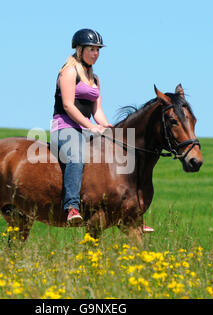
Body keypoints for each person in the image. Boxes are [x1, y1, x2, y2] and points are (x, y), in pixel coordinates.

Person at [50, 28, 154, 233]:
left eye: (98, 50)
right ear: (79, 50)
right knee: (77, 156)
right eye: (92, 49)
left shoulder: (95, 78)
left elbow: (97, 110)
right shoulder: (68, 72)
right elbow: (69, 106)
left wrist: (107, 128)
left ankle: (131, 213)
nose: (96, 53)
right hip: (65, 128)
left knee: (120, 157)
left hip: (87, 129)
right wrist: (91, 127)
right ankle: (71, 206)